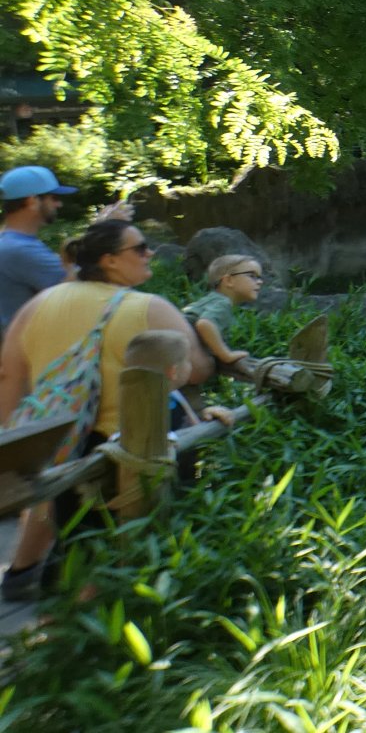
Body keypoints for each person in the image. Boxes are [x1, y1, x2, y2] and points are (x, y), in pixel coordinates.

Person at [0, 220, 210, 600]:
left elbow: (9, 377)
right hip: (122, 451)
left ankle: (28, 581)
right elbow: (195, 369)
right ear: (109, 260)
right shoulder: (149, 308)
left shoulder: (38, 304)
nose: (150, 253)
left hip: (60, 445)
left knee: (75, 546)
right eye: (140, 248)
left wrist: (12, 445)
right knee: (111, 558)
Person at [0, 165, 133, 333]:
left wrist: (98, 229)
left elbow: (68, 268)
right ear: (32, 201)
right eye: (54, 198)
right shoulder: (18, 249)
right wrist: (104, 231)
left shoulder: (13, 242)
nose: (59, 204)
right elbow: (79, 286)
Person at [121, 330, 237, 484]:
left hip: (187, 472)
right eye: (187, 361)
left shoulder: (174, 395)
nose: (190, 365)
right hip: (161, 482)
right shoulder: (141, 405)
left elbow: (196, 428)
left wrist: (208, 414)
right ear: (173, 371)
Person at [183, 255, 265, 369]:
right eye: (252, 276)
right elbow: (205, 324)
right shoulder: (223, 303)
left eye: (260, 277)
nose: (260, 282)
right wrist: (226, 354)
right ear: (229, 280)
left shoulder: (211, 300)